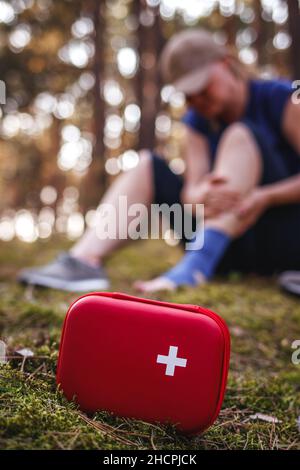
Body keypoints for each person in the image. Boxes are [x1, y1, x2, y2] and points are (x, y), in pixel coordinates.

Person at [18, 29, 300, 293]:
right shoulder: (196, 122)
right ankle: (83, 261)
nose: (196, 99)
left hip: (281, 237)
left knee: (240, 134)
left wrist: (264, 197)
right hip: (227, 249)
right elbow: (191, 192)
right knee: (146, 164)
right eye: (187, 94)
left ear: (225, 63)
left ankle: (195, 266)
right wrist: (204, 194)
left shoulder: (282, 99)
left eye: (203, 87)